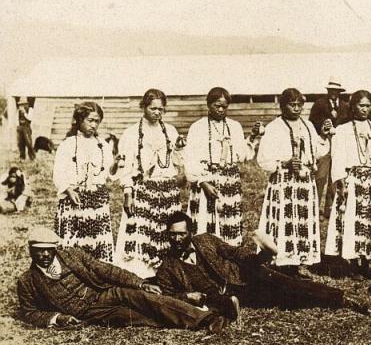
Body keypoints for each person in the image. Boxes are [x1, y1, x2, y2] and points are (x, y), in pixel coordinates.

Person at [17, 227, 229, 332]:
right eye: (39, 251)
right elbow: (29, 312)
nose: (44, 255)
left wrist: (140, 282)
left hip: (104, 294)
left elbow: (106, 270)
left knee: (146, 298)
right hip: (89, 314)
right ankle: (203, 314)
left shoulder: (72, 255)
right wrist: (57, 318)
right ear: (30, 251)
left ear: (55, 249)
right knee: (143, 318)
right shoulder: (27, 281)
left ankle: (207, 320)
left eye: (48, 250)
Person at [156, 212, 370, 314]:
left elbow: (234, 252)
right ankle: (328, 299)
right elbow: (166, 294)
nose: (177, 239)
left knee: (290, 284)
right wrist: (186, 296)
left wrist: (254, 259)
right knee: (287, 299)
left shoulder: (205, 240)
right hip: (234, 296)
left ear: (190, 232)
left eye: (181, 235)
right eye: (173, 235)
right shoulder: (168, 265)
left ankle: (344, 298)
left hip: (245, 274)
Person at [256, 88, 329, 275]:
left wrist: (323, 136)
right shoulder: (274, 127)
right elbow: (263, 160)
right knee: (284, 219)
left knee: (301, 219)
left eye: (299, 105)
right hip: (284, 182)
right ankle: (280, 260)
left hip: (304, 182)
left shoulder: (308, 126)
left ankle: (297, 260)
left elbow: (318, 152)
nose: (296, 108)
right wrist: (285, 163)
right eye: (292, 104)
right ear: (282, 105)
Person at [114, 89, 183, 279]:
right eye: (153, 108)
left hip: (166, 190)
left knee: (164, 232)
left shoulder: (170, 131)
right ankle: (140, 276)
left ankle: (166, 274)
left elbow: (177, 162)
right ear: (143, 107)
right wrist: (128, 193)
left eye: (161, 109)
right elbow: (125, 166)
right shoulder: (130, 133)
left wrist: (178, 148)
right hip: (142, 190)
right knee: (139, 232)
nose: (157, 113)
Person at [324, 90, 371, 280]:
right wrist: (341, 181)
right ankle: (352, 264)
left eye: (368, 106)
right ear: (353, 106)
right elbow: (338, 156)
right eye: (361, 105)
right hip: (353, 179)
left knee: (370, 221)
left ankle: (366, 262)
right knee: (352, 220)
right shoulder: (343, 129)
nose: (365, 109)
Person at [53, 102, 118, 262]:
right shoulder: (68, 144)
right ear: (79, 120)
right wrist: (69, 190)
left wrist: (116, 164)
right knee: (75, 241)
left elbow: (110, 173)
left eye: (97, 121)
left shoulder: (103, 145)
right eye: (90, 120)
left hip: (97, 199)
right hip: (74, 198)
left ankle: (99, 276)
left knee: (97, 241)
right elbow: (58, 172)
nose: (94, 125)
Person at [184, 87, 248, 246]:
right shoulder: (197, 128)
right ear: (208, 105)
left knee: (228, 224)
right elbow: (190, 159)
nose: (220, 110)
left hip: (229, 182)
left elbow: (242, 154)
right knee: (206, 222)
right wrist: (203, 183)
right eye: (216, 106)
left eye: (224, 107)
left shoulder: (234, 127)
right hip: (206, 181)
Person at [308, 77, 350, 218]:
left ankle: (329, 210)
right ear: (327, 90)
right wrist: (322, 128)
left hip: (339, 145)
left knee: (335, 177)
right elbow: (311, 123)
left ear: (340, 92)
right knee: (320, 176)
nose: (333, 93)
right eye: (331, 90)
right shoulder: (319, 104)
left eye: (336, 90)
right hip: (324, 143)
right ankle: (314, 208)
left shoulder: (345, 106)